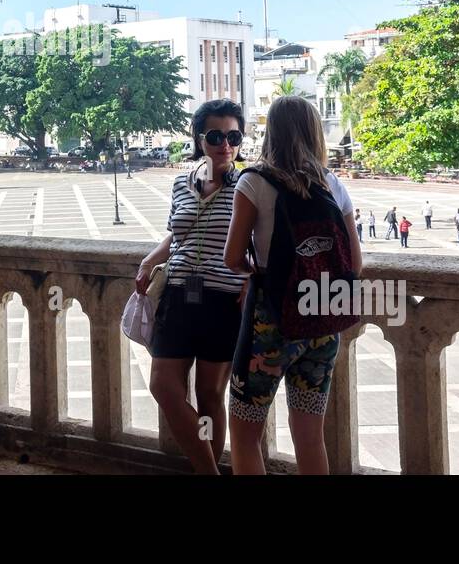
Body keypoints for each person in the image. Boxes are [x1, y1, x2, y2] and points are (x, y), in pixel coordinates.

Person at [223, 94, 361, 475]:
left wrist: (258, 271)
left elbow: (232, 258)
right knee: (309, 436)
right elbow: (356, 262)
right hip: (322, 320)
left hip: (271, 325)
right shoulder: (332, 183)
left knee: (246, 435)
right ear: (314, 131)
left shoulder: (253, 182)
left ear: (272, 132)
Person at [134, 99, 247, 474]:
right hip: (180, 294)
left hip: (223, 300)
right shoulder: (182, 184)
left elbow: (263, 243)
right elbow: (177, 234)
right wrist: (152, 259)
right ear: (199, 139)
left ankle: (205, 469)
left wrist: (253, 279)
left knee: (211, 396)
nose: (225, 144)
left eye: (233, 135)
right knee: (164, 387)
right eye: (216, 135)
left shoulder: (249, 185)